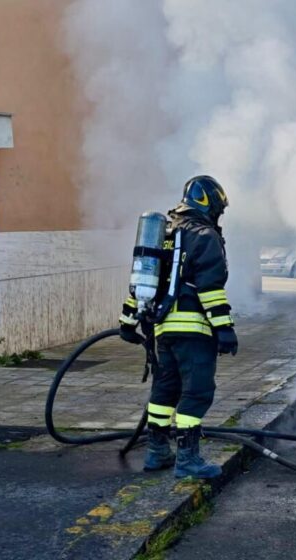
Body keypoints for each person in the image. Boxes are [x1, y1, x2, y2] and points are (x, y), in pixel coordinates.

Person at [119, 175, 238, 479]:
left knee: (165, 389)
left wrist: (128, 321)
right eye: (218, 209)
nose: (218, 215)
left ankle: (157, 452)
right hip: (194, 331)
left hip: (163, 330)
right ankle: (188, 460)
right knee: (197, 392)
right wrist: (224, 327)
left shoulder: (164, 233)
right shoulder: (205, 235)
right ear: (207, 202)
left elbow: (143, 280)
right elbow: (209, 287)